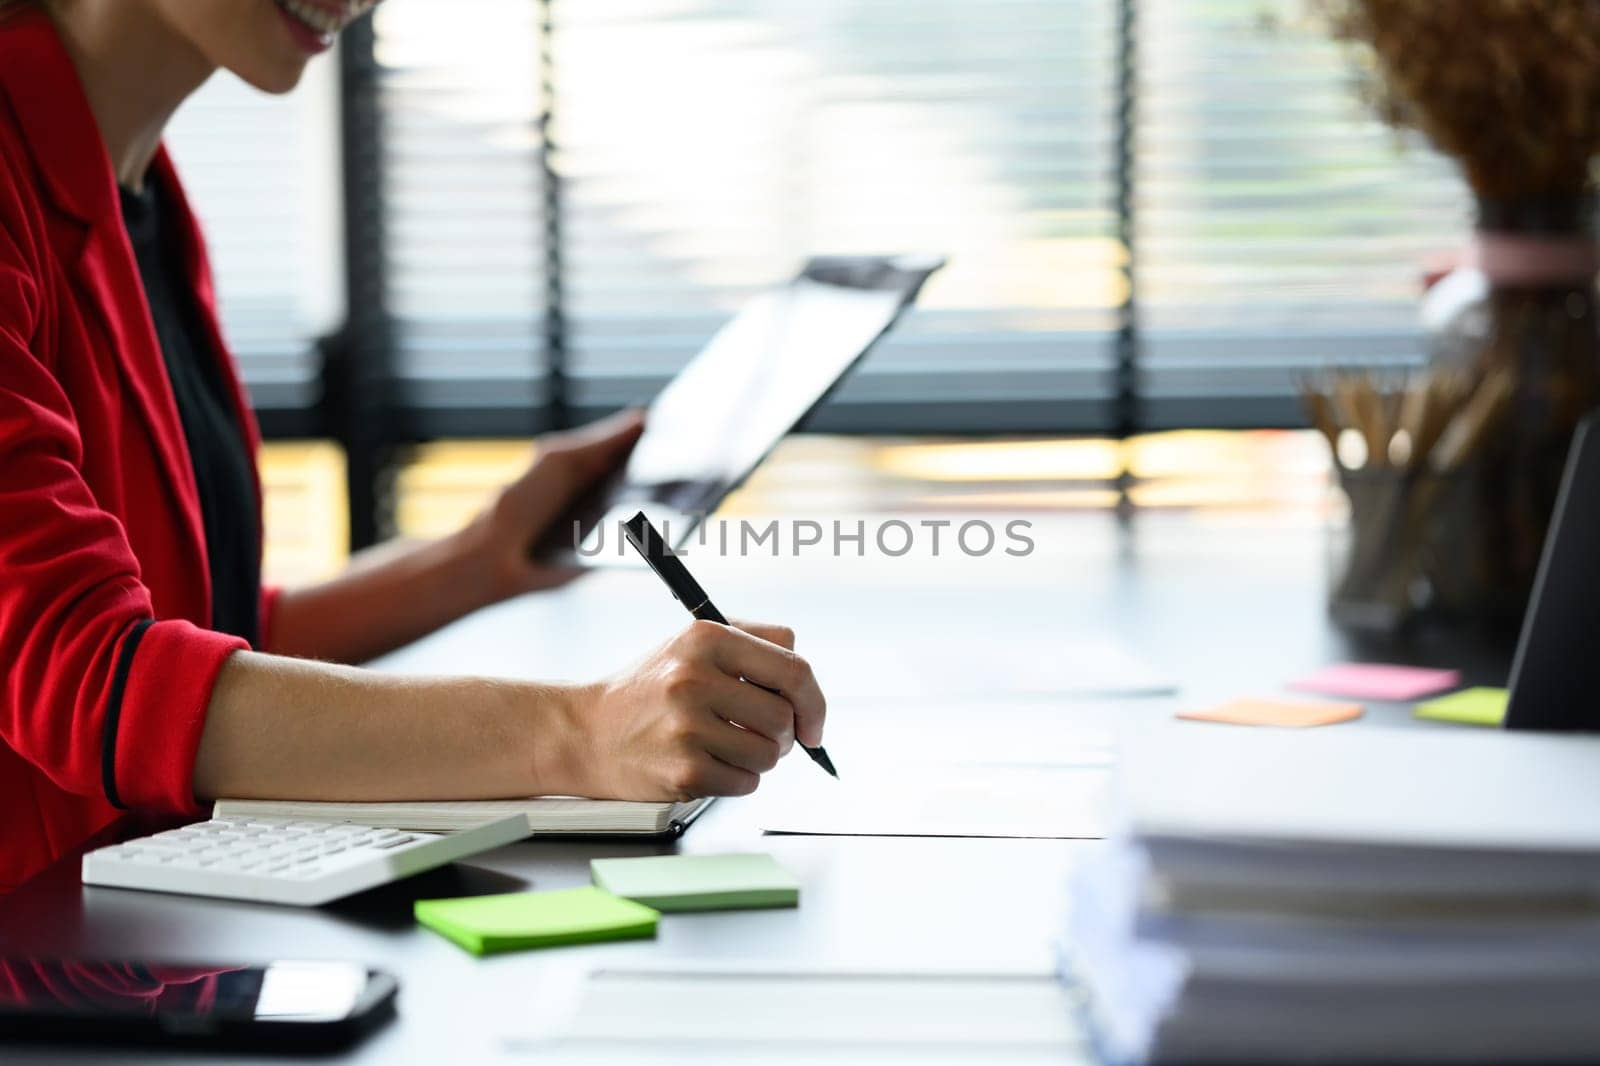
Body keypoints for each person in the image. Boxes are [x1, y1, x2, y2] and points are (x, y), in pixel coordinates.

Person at [0, 0, 825, 893]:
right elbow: (92, 678)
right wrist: (579, 734)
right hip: (43, 968)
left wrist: (477, 558)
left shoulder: (138, 188)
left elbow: (200, 634)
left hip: (145, 934)